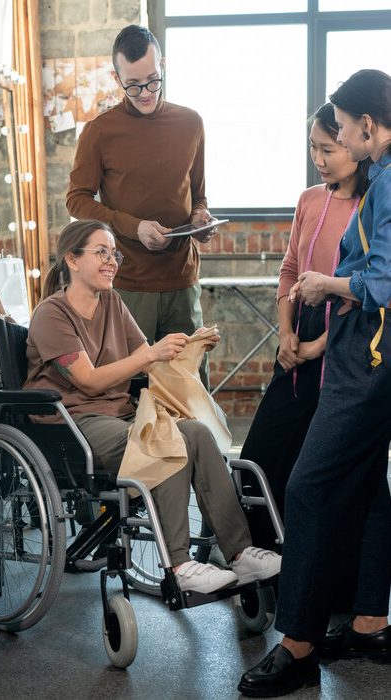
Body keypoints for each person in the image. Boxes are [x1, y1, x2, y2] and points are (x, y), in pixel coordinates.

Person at [24, 219, 281, 595]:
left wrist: (191, 346)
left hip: (118, 413)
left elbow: (150, 360)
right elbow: (89, 380)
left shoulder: (112, 301)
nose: (111, 261)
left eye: (114, 253)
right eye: (101, 252)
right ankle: (179, 564)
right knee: (163, 437)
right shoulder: (52, 314)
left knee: (195, 430)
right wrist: (150, 354)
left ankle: (239, 552)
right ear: (72, 260)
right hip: (73, 422)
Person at [239, 69, 391, 697]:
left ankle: (298, 642)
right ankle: (369, 621)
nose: (332, 146)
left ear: (363, 126)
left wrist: (330, 287)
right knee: (368, 486)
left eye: (338, 133)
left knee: (306, 485)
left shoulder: (386, 183)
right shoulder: (375, 181)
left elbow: (380, 279)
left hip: (367, 362)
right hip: (364, 354)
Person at [239, 103, 370, 551]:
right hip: (297, 335)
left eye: (328, 149)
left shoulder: (370, 208)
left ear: (356, 144)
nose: (318, 158)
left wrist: (319, 347)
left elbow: (364, 294)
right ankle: (264, 555)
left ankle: (320, 570)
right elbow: (290, 268)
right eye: (312, 147)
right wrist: (286, 332)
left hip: (344, 339)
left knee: (318, 472)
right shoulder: (309, 199)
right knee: (259, 456)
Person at [66, 24, 216, 386]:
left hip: (181, 281)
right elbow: (77, 200)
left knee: (189, 390)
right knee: (131, 393)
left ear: (162, 65)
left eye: (152, 81)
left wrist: (201, 218)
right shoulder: (99, 131)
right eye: (133, 85)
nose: (145, 93)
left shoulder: (191, 122)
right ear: (116, 77)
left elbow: (198, 195)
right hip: (127, 284)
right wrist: (134, 227)